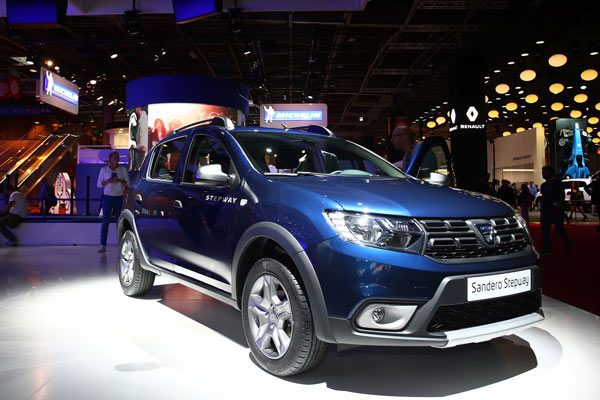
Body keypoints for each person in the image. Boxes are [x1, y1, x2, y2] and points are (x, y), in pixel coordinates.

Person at [97, 151, 129, 253]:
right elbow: (99, 184)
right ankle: (103, 245)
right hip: (107, 197)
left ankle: (121, 244)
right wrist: (108, 181)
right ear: (110, 159)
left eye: (118, 157)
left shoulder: (122, 170)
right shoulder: (104, 170)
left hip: (119, 197)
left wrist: (119, 180)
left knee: (119, 222)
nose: (117, 159)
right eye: (115, 157)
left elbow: (128, 183)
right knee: (105, 221)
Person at [540, 165, 571, 255]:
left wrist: (559, 205)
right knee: (544, 231)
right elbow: (544, 197)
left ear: (550, 172)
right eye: (542, 172)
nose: (543, 174)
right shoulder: (543, 185)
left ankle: (568, 246)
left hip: (555, 210)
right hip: (545, 210)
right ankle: (547, 249)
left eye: (544, 172)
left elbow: (562, 195)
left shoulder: (557, 183)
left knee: (560, 229)